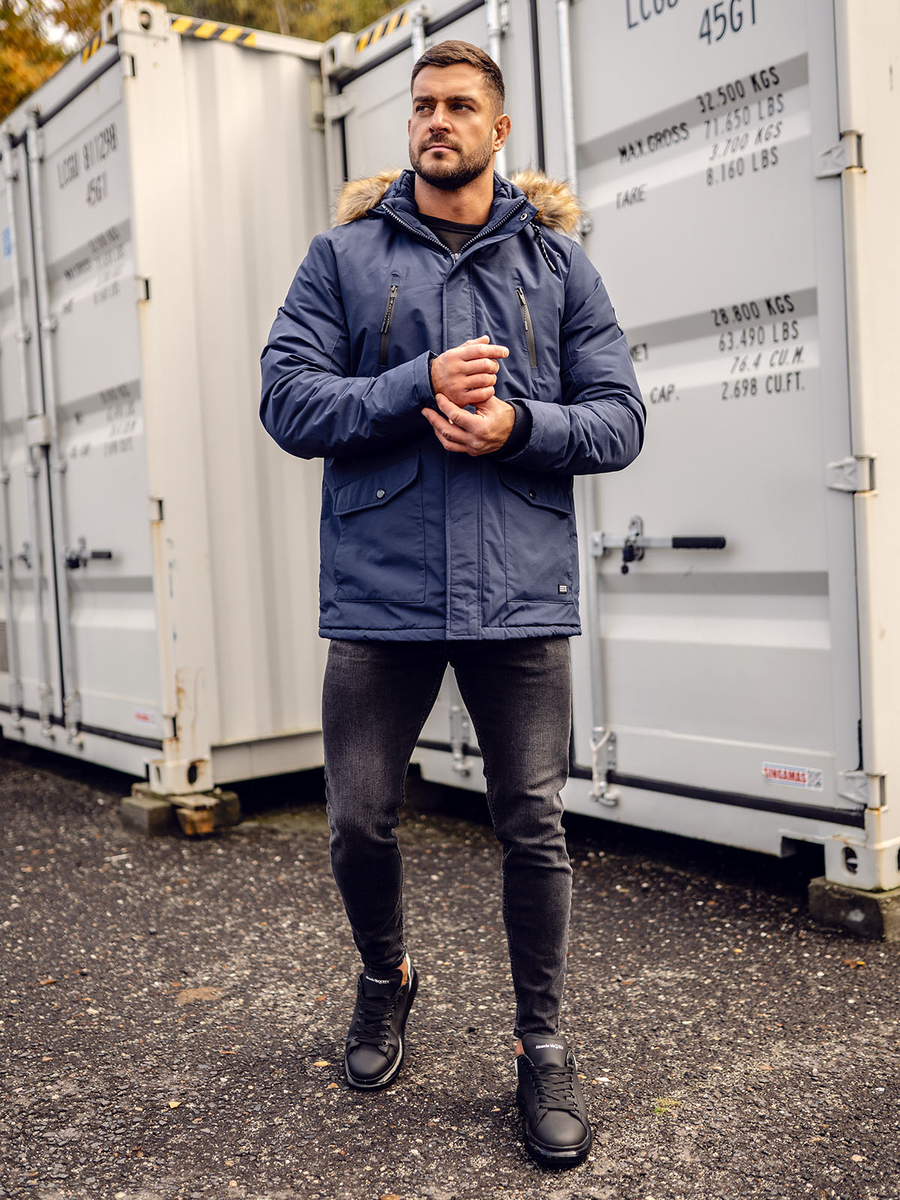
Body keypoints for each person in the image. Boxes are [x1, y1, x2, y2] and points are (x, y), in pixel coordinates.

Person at [260, 39, 645, 1166]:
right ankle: (386, 976)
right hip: (380, 591)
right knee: (356, 817)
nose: (437, 120)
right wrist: (412, 385)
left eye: (460, 105)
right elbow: (287, 400)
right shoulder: (342, 257)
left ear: (498, 129)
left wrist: (519, 425)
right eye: (424, 105)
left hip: (518, 591)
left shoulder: (559, 266)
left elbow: (621, 416)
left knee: (533, 823)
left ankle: (541, 1046)